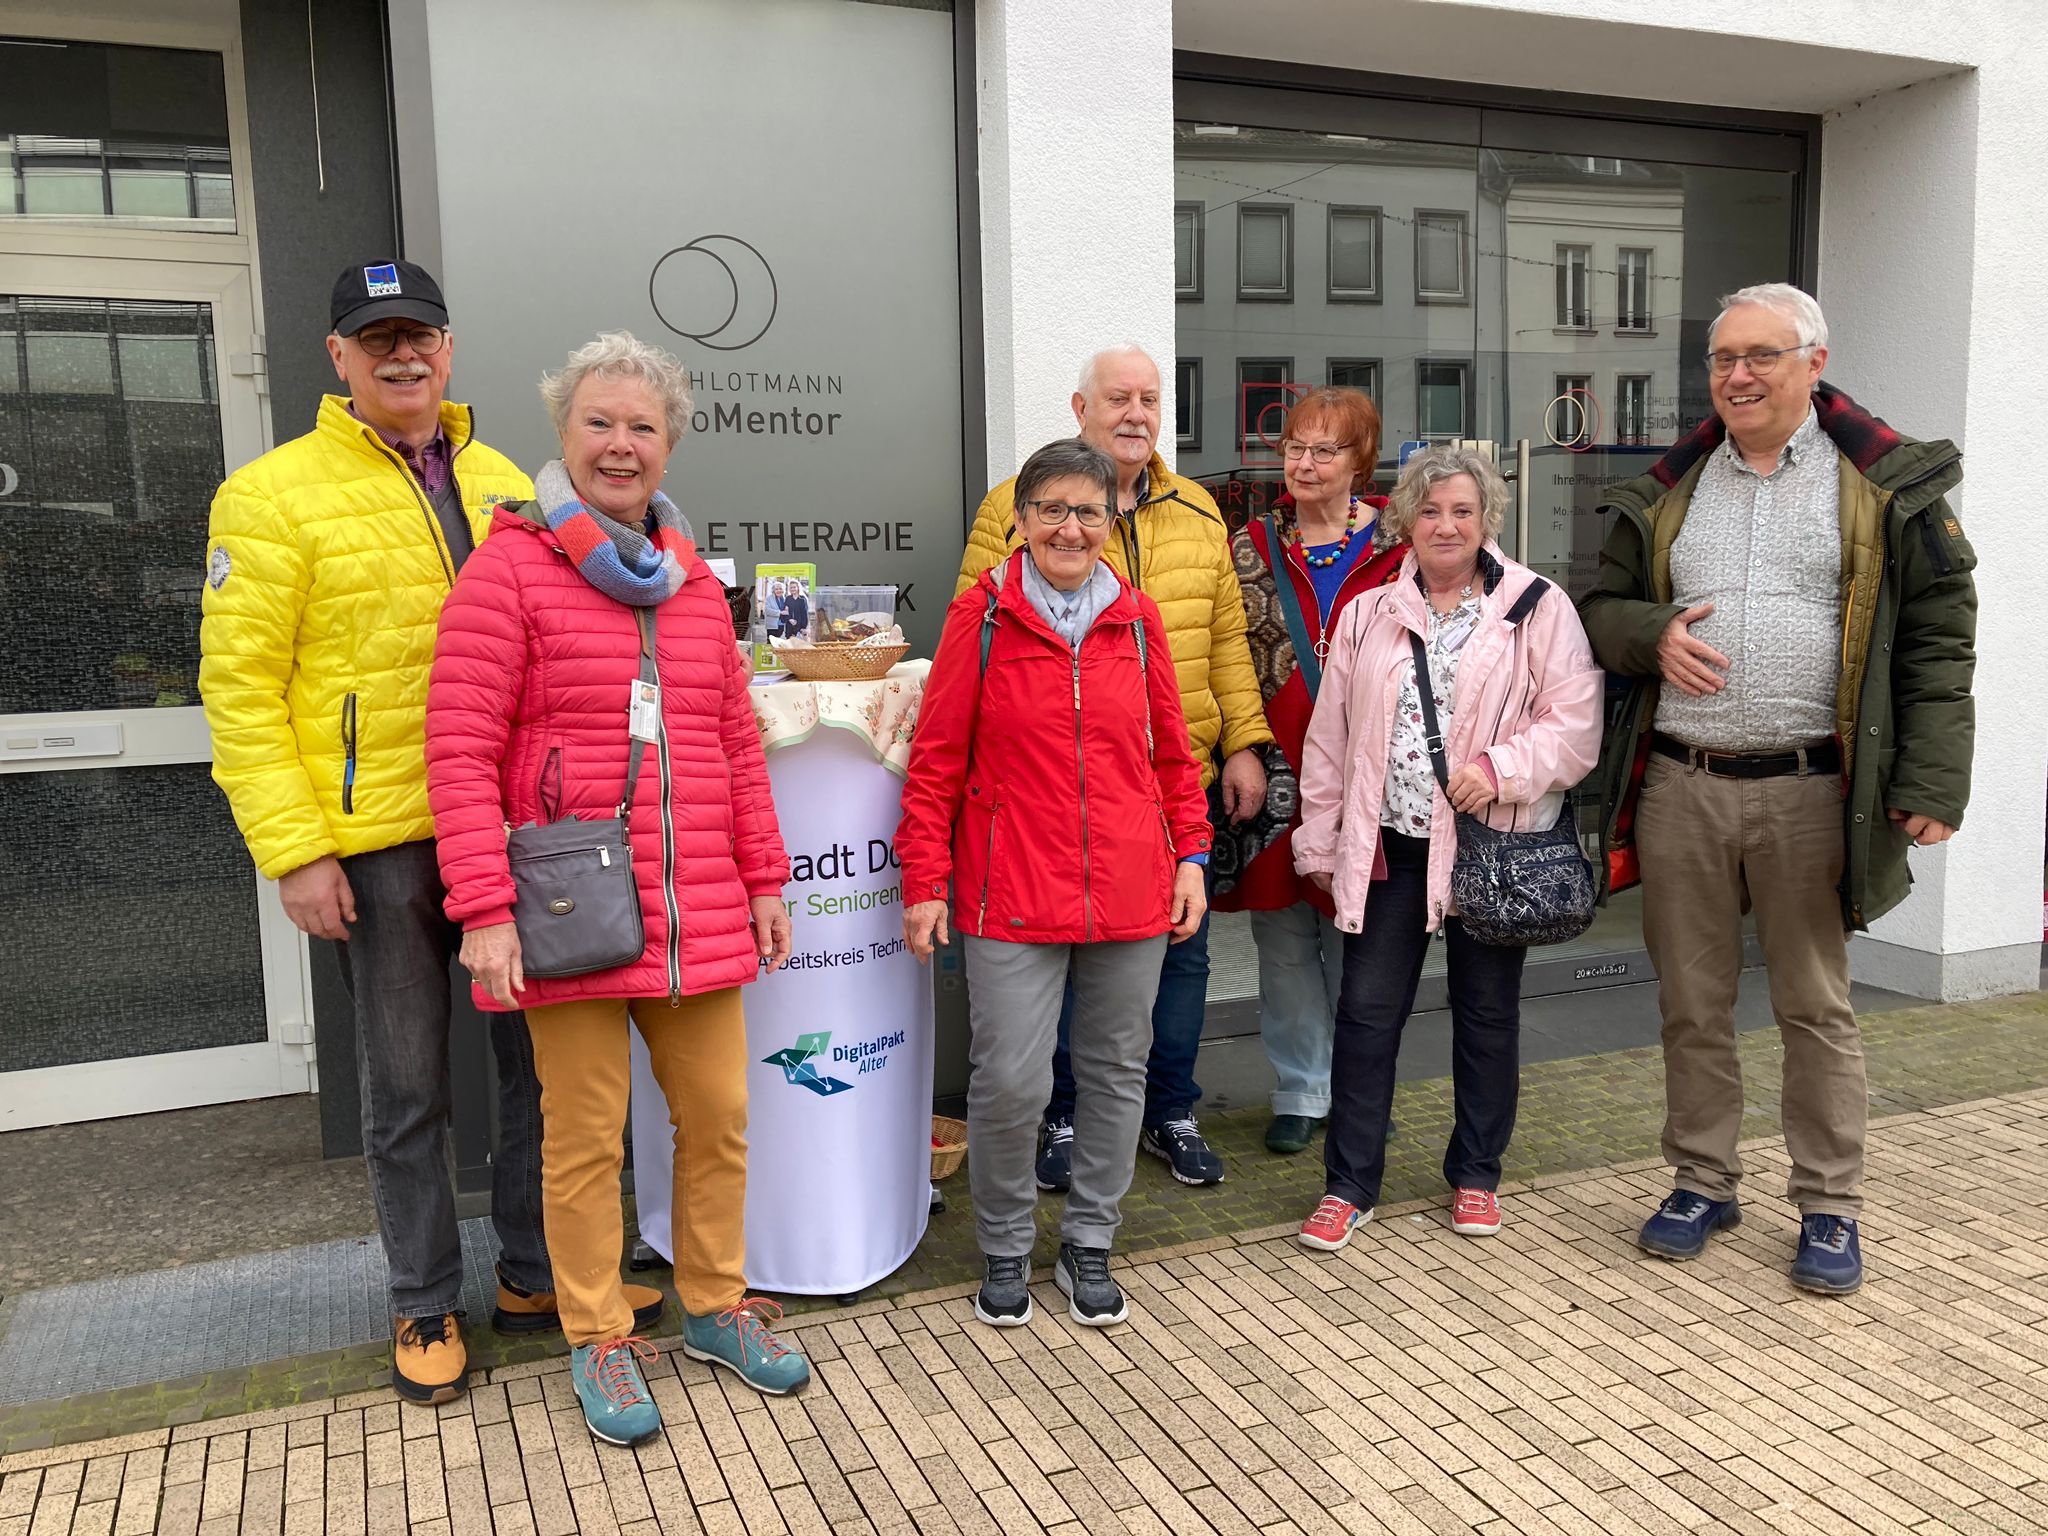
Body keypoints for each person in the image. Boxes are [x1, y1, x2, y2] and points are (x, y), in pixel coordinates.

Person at [200, 259, 665, 1405]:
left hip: (520, 832)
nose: (401, 356)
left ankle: (529, 1274)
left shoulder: (511, 479)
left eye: (419, 336)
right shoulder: (268, 496)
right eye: (376, 340)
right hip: (379, 838)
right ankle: (419, 1302)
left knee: (541, 1072)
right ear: (339, 359)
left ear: (449, 351)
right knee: (407, 1084)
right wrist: (296, 848)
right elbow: (241, 690)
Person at [425, 331, 809, 1447]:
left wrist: (765, 879)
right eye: (600, 422)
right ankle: (598, 1331)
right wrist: (482, 909)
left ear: (669, 443)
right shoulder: (509, 569)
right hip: (572, 907)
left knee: (721, 1118)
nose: (620, 445)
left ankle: (717, 1303)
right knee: (584, 1137)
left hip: (696, 905)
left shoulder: (690, 583)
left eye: (642, 426)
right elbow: (455, 749)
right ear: (562, 433)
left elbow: (733, 744)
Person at [1580, 283, 1977, 1295]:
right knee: (1690, 1003)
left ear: (1812, 362)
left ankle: (1829, 1203)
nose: (1736, 376)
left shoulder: (1878, 484)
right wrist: (1648, 634)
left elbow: (1937, 639)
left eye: (1759, 356)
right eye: (1721, 360)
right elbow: (1597, 608)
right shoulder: (1672, 485)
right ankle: (1702, 1179)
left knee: (1812, 1004)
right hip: (1682, 783)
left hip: (1811, 788)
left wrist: (1931, 778)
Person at [902, 438, 1212, 1328]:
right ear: (1023, 521)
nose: (1071, 527)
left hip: (1129, 885)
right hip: (1011, 889)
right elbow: (936, 761)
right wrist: (926, 875)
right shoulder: (982, 618)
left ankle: (1088, 1240)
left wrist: (1190, 854)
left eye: (1088, 511)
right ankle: (1004, 1243)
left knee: (1118, 1074)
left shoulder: (1139, 618)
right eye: (1052, 510)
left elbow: (1171, 757)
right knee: (1010, 1081)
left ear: (1110, 524)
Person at [956, 345, 1273, 1189]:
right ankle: (1065, 1115)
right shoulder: (1012, 507)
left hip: (1173, 776)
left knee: (1182, 959)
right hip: (1054, 794)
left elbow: (1227, 638)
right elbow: (977, 631)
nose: (1136, 413)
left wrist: (1242, 740)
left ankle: (1169, 1107)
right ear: (1080, 407)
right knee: (1067, 961)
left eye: (1149, 398)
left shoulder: (1200, 511)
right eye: (1117, 398)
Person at [1292, 446, 1601, 1251]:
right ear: (1405, 520)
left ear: (1487, 520)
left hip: (1487, 848)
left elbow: (1574, 728)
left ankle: (1475, 1174)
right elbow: (1330, 740)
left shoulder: (1538, 607)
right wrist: (1319, 837)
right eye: (1429, 511)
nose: (1445, 525)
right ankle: (1349, 1184)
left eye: (1462, 511)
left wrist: (1500, 769)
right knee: (1365, 1015)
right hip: (1391, 846)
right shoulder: (1368, 613)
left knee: (1487, 1014)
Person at [1213, 387, 1406, 1156]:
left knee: (1364, 941)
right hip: (1279, 772)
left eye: (1325, 449)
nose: (1304, 462)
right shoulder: (1250, 544)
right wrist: (1236, 745)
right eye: (1295, 447)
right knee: (1285, 937)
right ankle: (1302, 1086)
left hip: (1375, 772)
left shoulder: (1405, 541)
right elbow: (1226, 654)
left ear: (1361, 459)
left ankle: (1362, 1091)